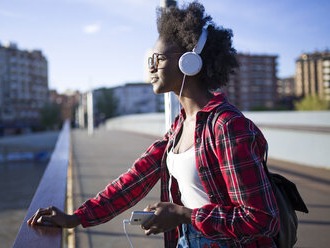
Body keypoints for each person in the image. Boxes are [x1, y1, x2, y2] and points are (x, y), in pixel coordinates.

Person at [27, 2, 279, 247]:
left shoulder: (226, 127)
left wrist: (183, 215)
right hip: (186, 240)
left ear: (189, 61)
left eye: (157, 59)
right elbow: (134, 179)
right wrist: (77, 217)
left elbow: (262, 219)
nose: (150, 68)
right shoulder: (180, 126)